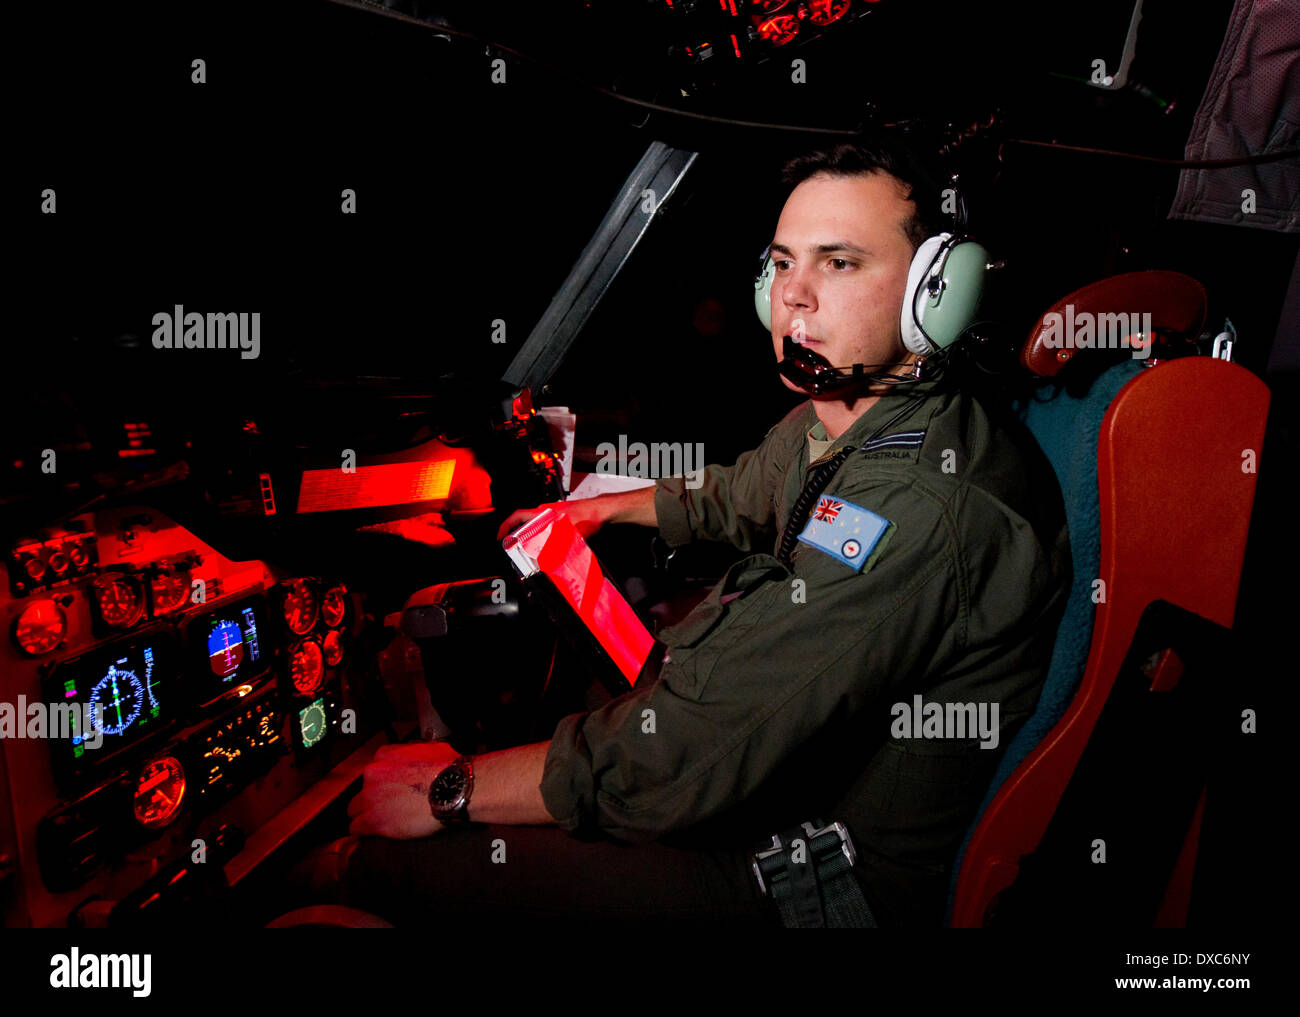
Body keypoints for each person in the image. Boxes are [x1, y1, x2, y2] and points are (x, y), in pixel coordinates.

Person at [340, 139, 1071, 927]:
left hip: (829, 881)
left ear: (938, 297)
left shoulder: (915, 505)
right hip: (783, 791)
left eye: (840, 263)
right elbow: (741, 491)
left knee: (400, 864)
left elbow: (679, 755)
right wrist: (603, 508)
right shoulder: (849, 417)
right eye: (783, 263)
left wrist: (452, 789)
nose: (795, 296)